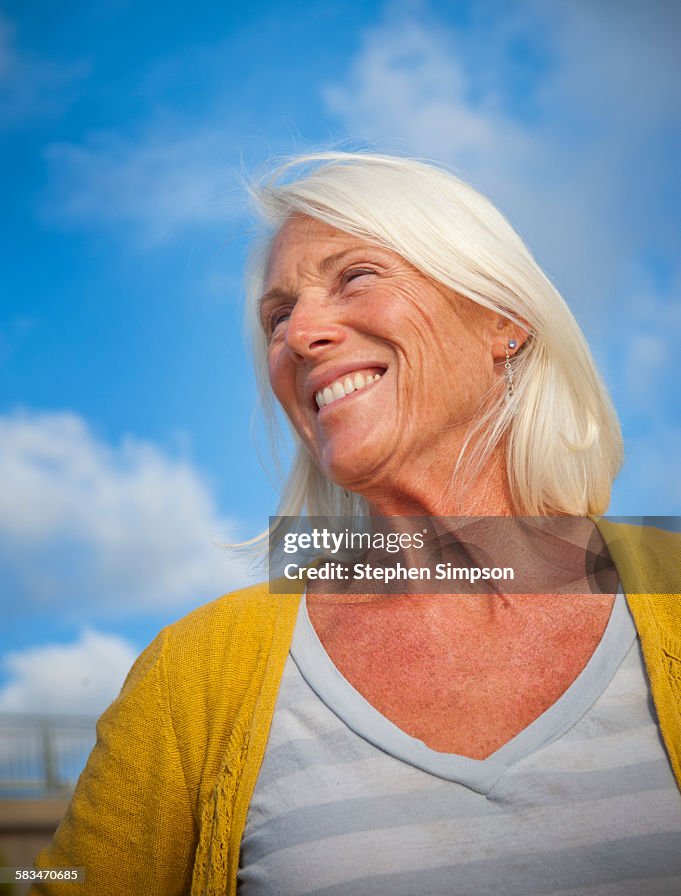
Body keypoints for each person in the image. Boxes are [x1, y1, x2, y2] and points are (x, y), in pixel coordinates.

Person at [32, 153, 681, 895]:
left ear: (503, 319)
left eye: (356, 276)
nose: (300, 334)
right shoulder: (195, 675)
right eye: (277, 316)